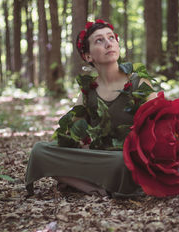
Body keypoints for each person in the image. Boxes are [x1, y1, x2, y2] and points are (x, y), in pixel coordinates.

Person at [25, 19, 157, 197]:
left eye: (111, 38)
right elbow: (72, 134)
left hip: (129, 160)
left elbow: (159, 125)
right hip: (101, 157)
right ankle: (89, 187)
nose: (108, 43)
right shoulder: (88, 91)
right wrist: (80, 145)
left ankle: (103, 182)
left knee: (122, 162)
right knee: (40, 151)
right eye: (99, 40)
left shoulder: (138, 82)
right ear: (88, 56)